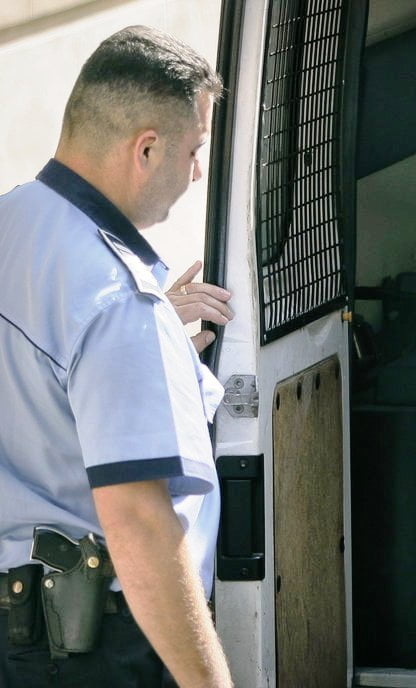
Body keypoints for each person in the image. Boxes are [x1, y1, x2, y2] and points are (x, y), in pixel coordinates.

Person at [0, 26, 233, 687]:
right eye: (194, 151)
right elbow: (138, 522)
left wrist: (150, 348)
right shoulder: (118, 304)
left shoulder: (13, 223)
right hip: (88, 650)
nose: (196, 172)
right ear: (147, 149)